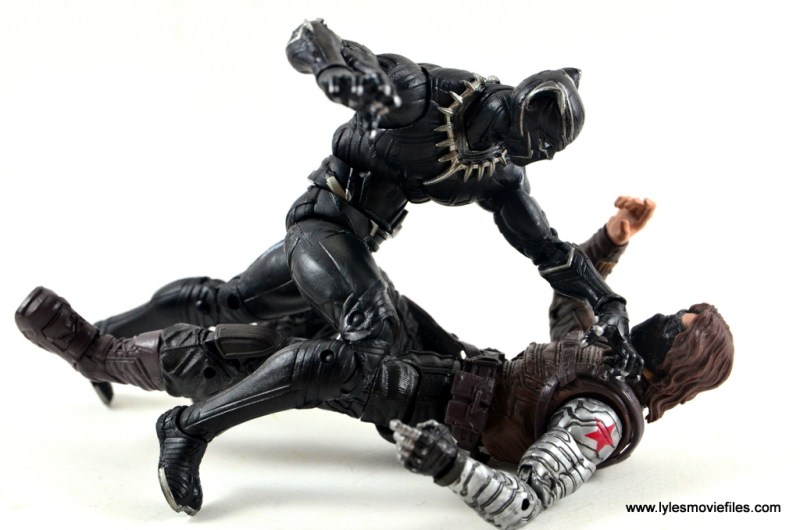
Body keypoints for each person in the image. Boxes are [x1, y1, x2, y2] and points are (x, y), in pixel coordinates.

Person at [15, 196, 734, 527]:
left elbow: (523, 502)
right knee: (311, 314)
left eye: (679, 327)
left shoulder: (601, 420)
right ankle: (105, 352)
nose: (664, 320)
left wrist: (450, 467)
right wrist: (610, 241)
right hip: (451, 360)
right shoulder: (610, 360)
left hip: (439, 405)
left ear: (683, 360)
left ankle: (176, 419)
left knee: (315, 364)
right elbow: (569, 311)